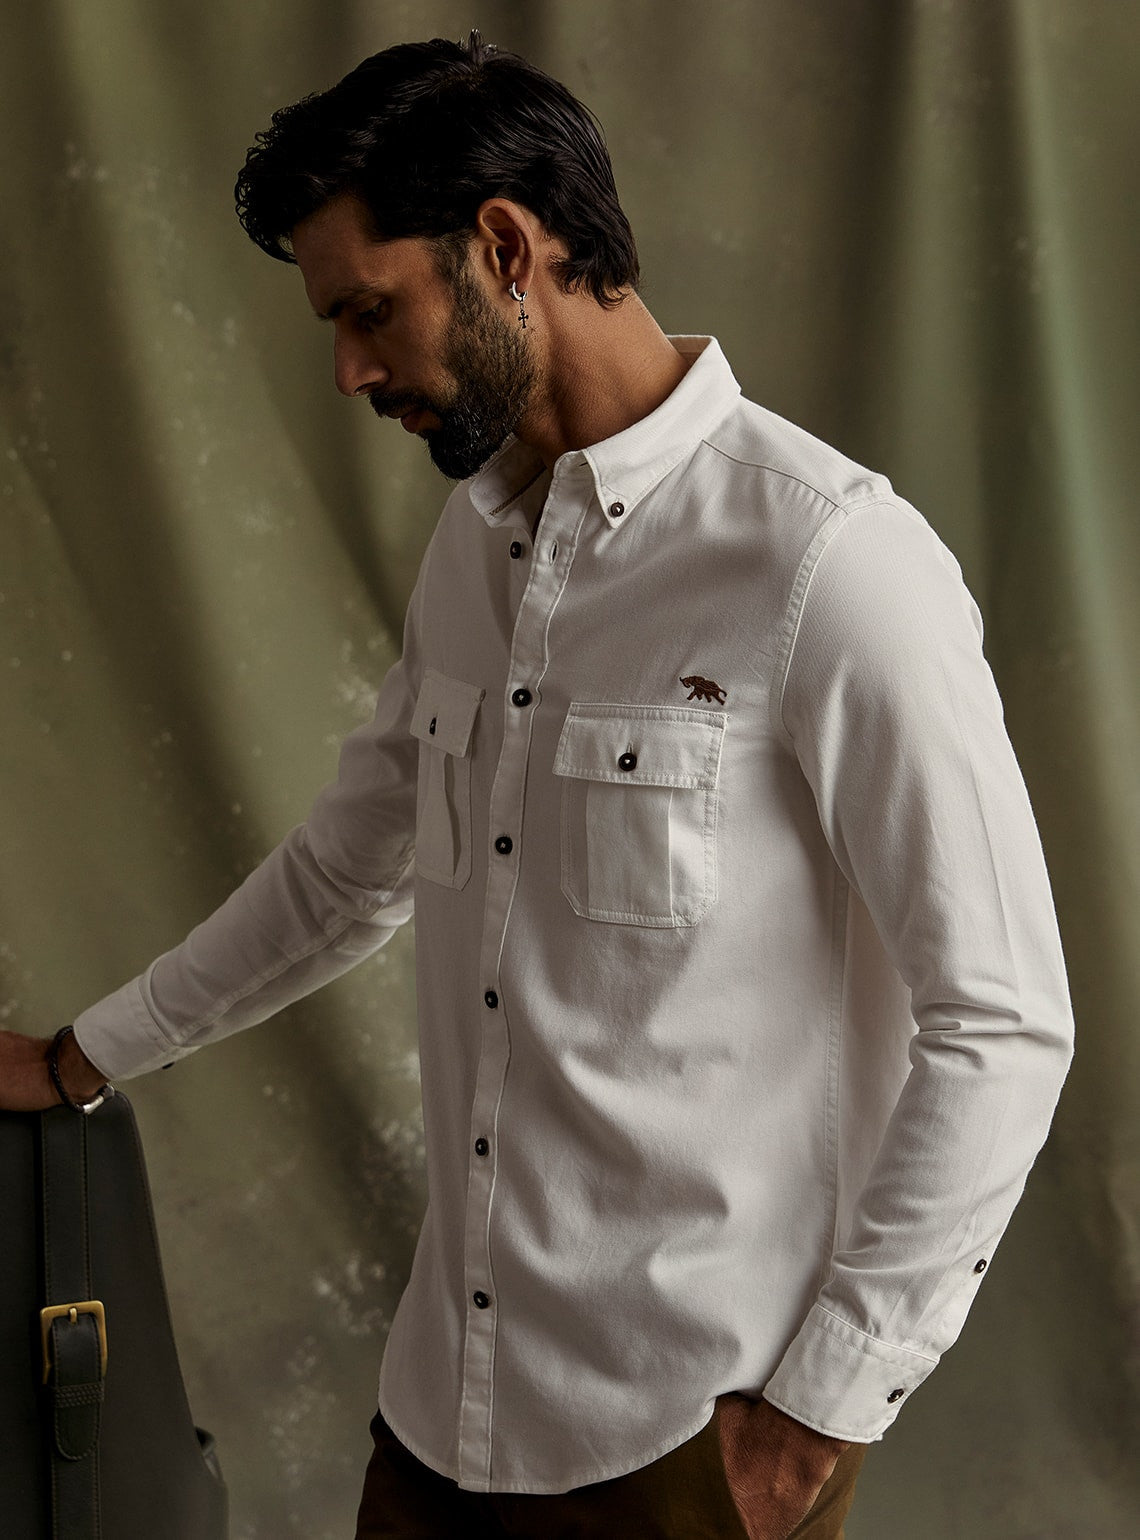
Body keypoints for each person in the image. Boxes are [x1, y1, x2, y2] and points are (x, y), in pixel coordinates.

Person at [0, 31, 1075, 1540]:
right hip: (443, 1413)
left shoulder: (833, 564)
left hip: (691, 1447)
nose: (348, 369)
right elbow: (350, 871)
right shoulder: (478, 547)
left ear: (506, 249)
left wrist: (820, 1413)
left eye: (369, 310)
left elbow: (1003, 1022)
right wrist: (82, 1057)